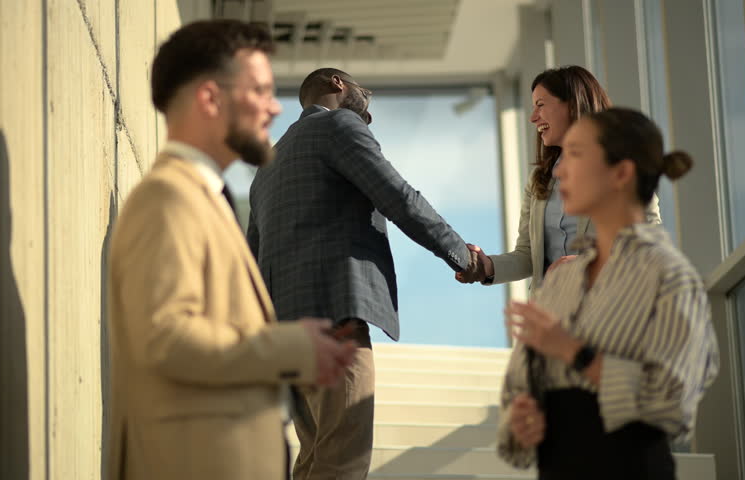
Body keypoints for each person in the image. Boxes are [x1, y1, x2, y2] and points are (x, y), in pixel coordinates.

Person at [108, 21, 357, 480]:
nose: (275, 107)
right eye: (260, 91)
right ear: (209, 98)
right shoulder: (168, 198)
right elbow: (165, 338)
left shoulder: (208, 202)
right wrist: (288, 345)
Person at [246, 67, 480, 480]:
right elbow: (398, 196)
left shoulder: (268, 166)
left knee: (314, 460)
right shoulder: (339, 124)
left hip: (287, 337)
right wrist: (462, 254)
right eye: (363, 94)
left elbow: (251, 261)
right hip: (335, 322)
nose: (366, 106)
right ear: (338, 84)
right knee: (343, 462)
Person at [497, 107, 720, 479]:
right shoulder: (560, 283)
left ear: (621, 173)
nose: (560, 170)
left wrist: (573, 351)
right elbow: (518, 393)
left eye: (577, 155)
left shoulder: (670, 276)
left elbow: (673, 403)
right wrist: (520, 424)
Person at [457, 66, 661, 289]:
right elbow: (528, 256)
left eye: (540, 105)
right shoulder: (540, 178)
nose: (533, 118)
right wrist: (488, 266)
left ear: (573, 105)